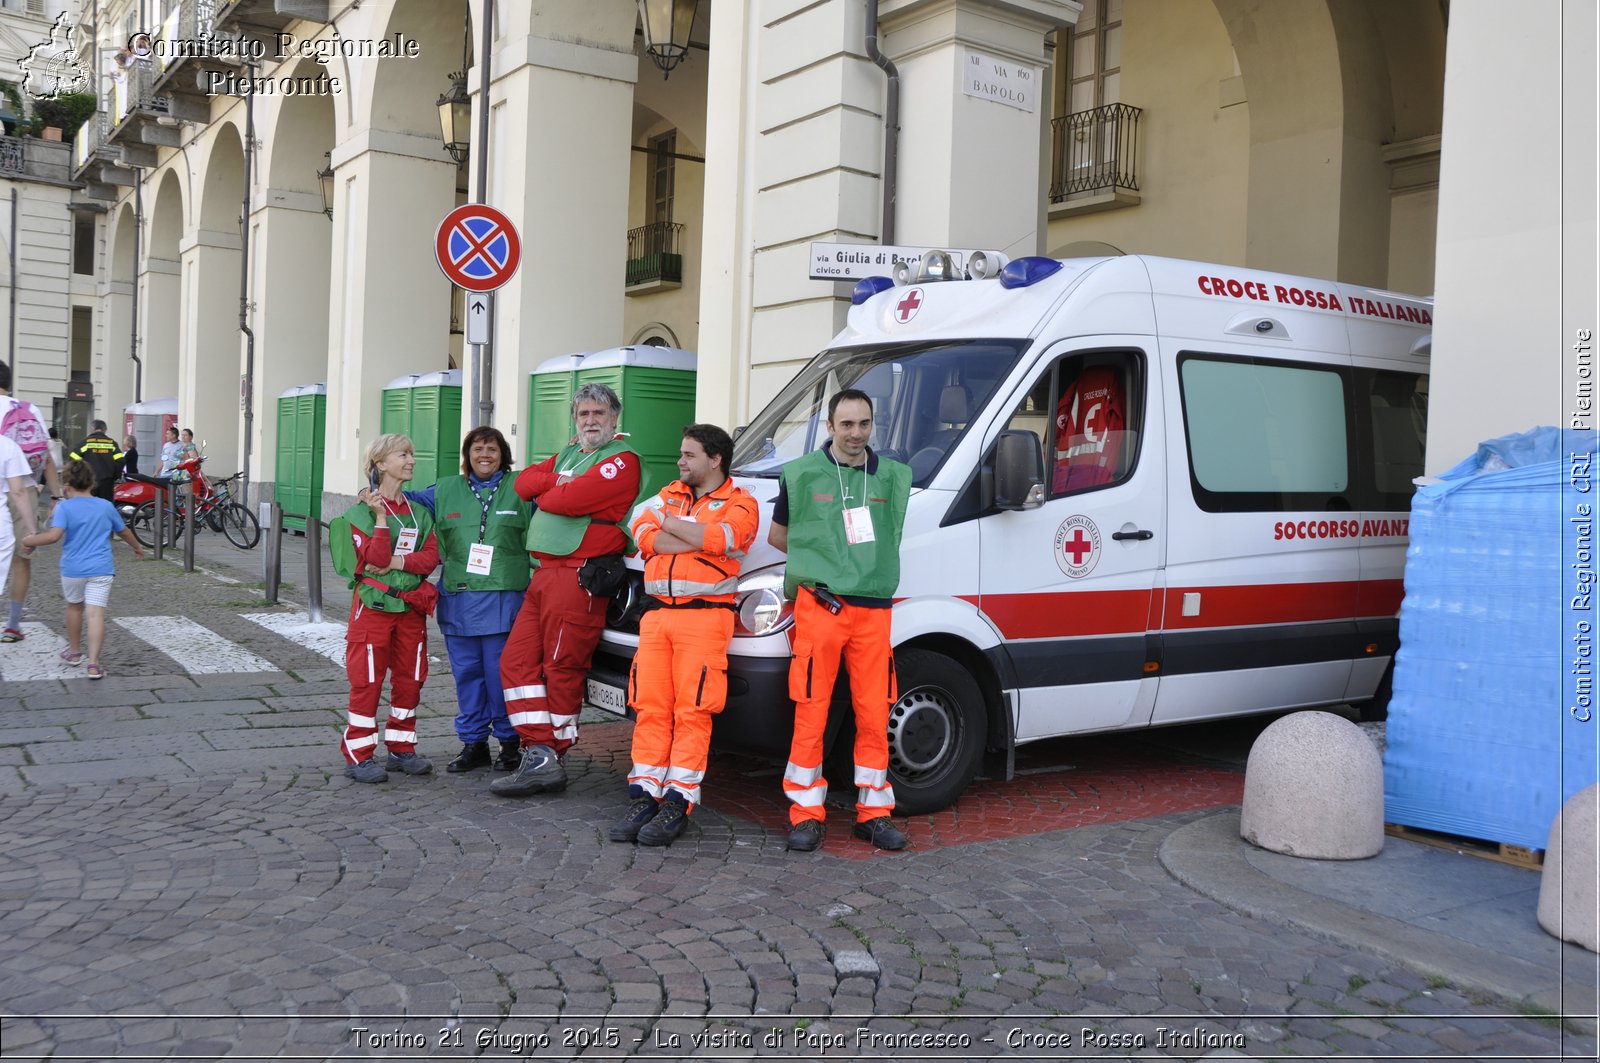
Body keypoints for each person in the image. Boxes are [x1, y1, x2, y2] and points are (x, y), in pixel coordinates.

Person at [768, 388, 912, 853]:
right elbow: (778, 537)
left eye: (864, 424)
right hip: (821, 606)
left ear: (873, 426)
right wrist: (826, 563)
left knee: (875, 711)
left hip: (873, 609)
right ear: (829, 427)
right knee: (812, 709)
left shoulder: (893, 477)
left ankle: (874, 813)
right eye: (846, 424)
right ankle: (805, 813)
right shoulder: (802, 474)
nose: (856, 433)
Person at [608, 424, 758, 846]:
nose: (680, 462)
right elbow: (639, 531)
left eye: (689, 455)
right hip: (657, 617)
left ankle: (678, 801)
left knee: (693, 712)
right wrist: (688, 538)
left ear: (715, 459)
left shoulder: (740, 502)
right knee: (650, 708)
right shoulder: (670, 492)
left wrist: (670, 528)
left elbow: (726, 539)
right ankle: (645, 796)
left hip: (706, 620)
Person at [491, 382, 641, 798]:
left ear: (614, 418)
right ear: (575, 421)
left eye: (598, 414)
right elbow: (522, 486)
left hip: (578, 575)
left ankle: (550, 754)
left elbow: (567, 502)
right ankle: (539, 748)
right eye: (583, 415)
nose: (590, 421)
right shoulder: (572, 454)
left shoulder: (621, 460)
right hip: (545, 573)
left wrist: (554, 487)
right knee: (516, 661)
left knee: (562, 665)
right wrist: (560, 478)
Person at [403, 427, 532, 774]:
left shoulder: (522, 489)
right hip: (459, 598)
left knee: (499, 675)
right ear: (467, 455)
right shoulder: (445, 490)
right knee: (467, 675)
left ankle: (509, 743)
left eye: (492, 448)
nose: (484, 455)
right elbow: (403, 503)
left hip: (504, 599)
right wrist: (374, 487)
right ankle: (474, 743)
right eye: (477, 449)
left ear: (503, 454)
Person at [335, 434, 441, 783]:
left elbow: (430, 558)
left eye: (412, 454)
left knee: (411, 679)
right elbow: (374, 559)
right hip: (373, 608)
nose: (411, 460)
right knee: (366, 680)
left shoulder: (419, 513)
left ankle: (401, 748)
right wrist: (380, 517)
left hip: (409, 609)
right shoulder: (360, 512)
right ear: (380, 464)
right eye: (403, 455)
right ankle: (359, 754)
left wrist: (397, 561)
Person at [21, 459, 143, 679]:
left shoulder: (65, 507)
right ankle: (94, 663)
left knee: (74, 608)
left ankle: (75, 652)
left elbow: (53, 536)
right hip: (101, 569)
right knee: (95, 614)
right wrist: (137, 548)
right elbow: (123, 531)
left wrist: (30, 540)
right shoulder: (105, 506)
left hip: (73, 569)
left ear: (66, 485)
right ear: (92, 483)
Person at [0, 364, 59, 644]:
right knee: (21, 560)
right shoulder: (27, 408)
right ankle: (12, 625)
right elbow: (46, 456)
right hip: (23, 490)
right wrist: (57, 496)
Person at [70, 420, 123, 502]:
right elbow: (121, 461)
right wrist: (114, 475)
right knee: (105, 505)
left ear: (92, 429)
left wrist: (81, 476)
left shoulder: (85, 443)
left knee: (89, 506)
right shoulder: (112, 443)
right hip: (107, 482)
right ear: (105, 430)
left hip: (89, 482)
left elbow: (73, 459)